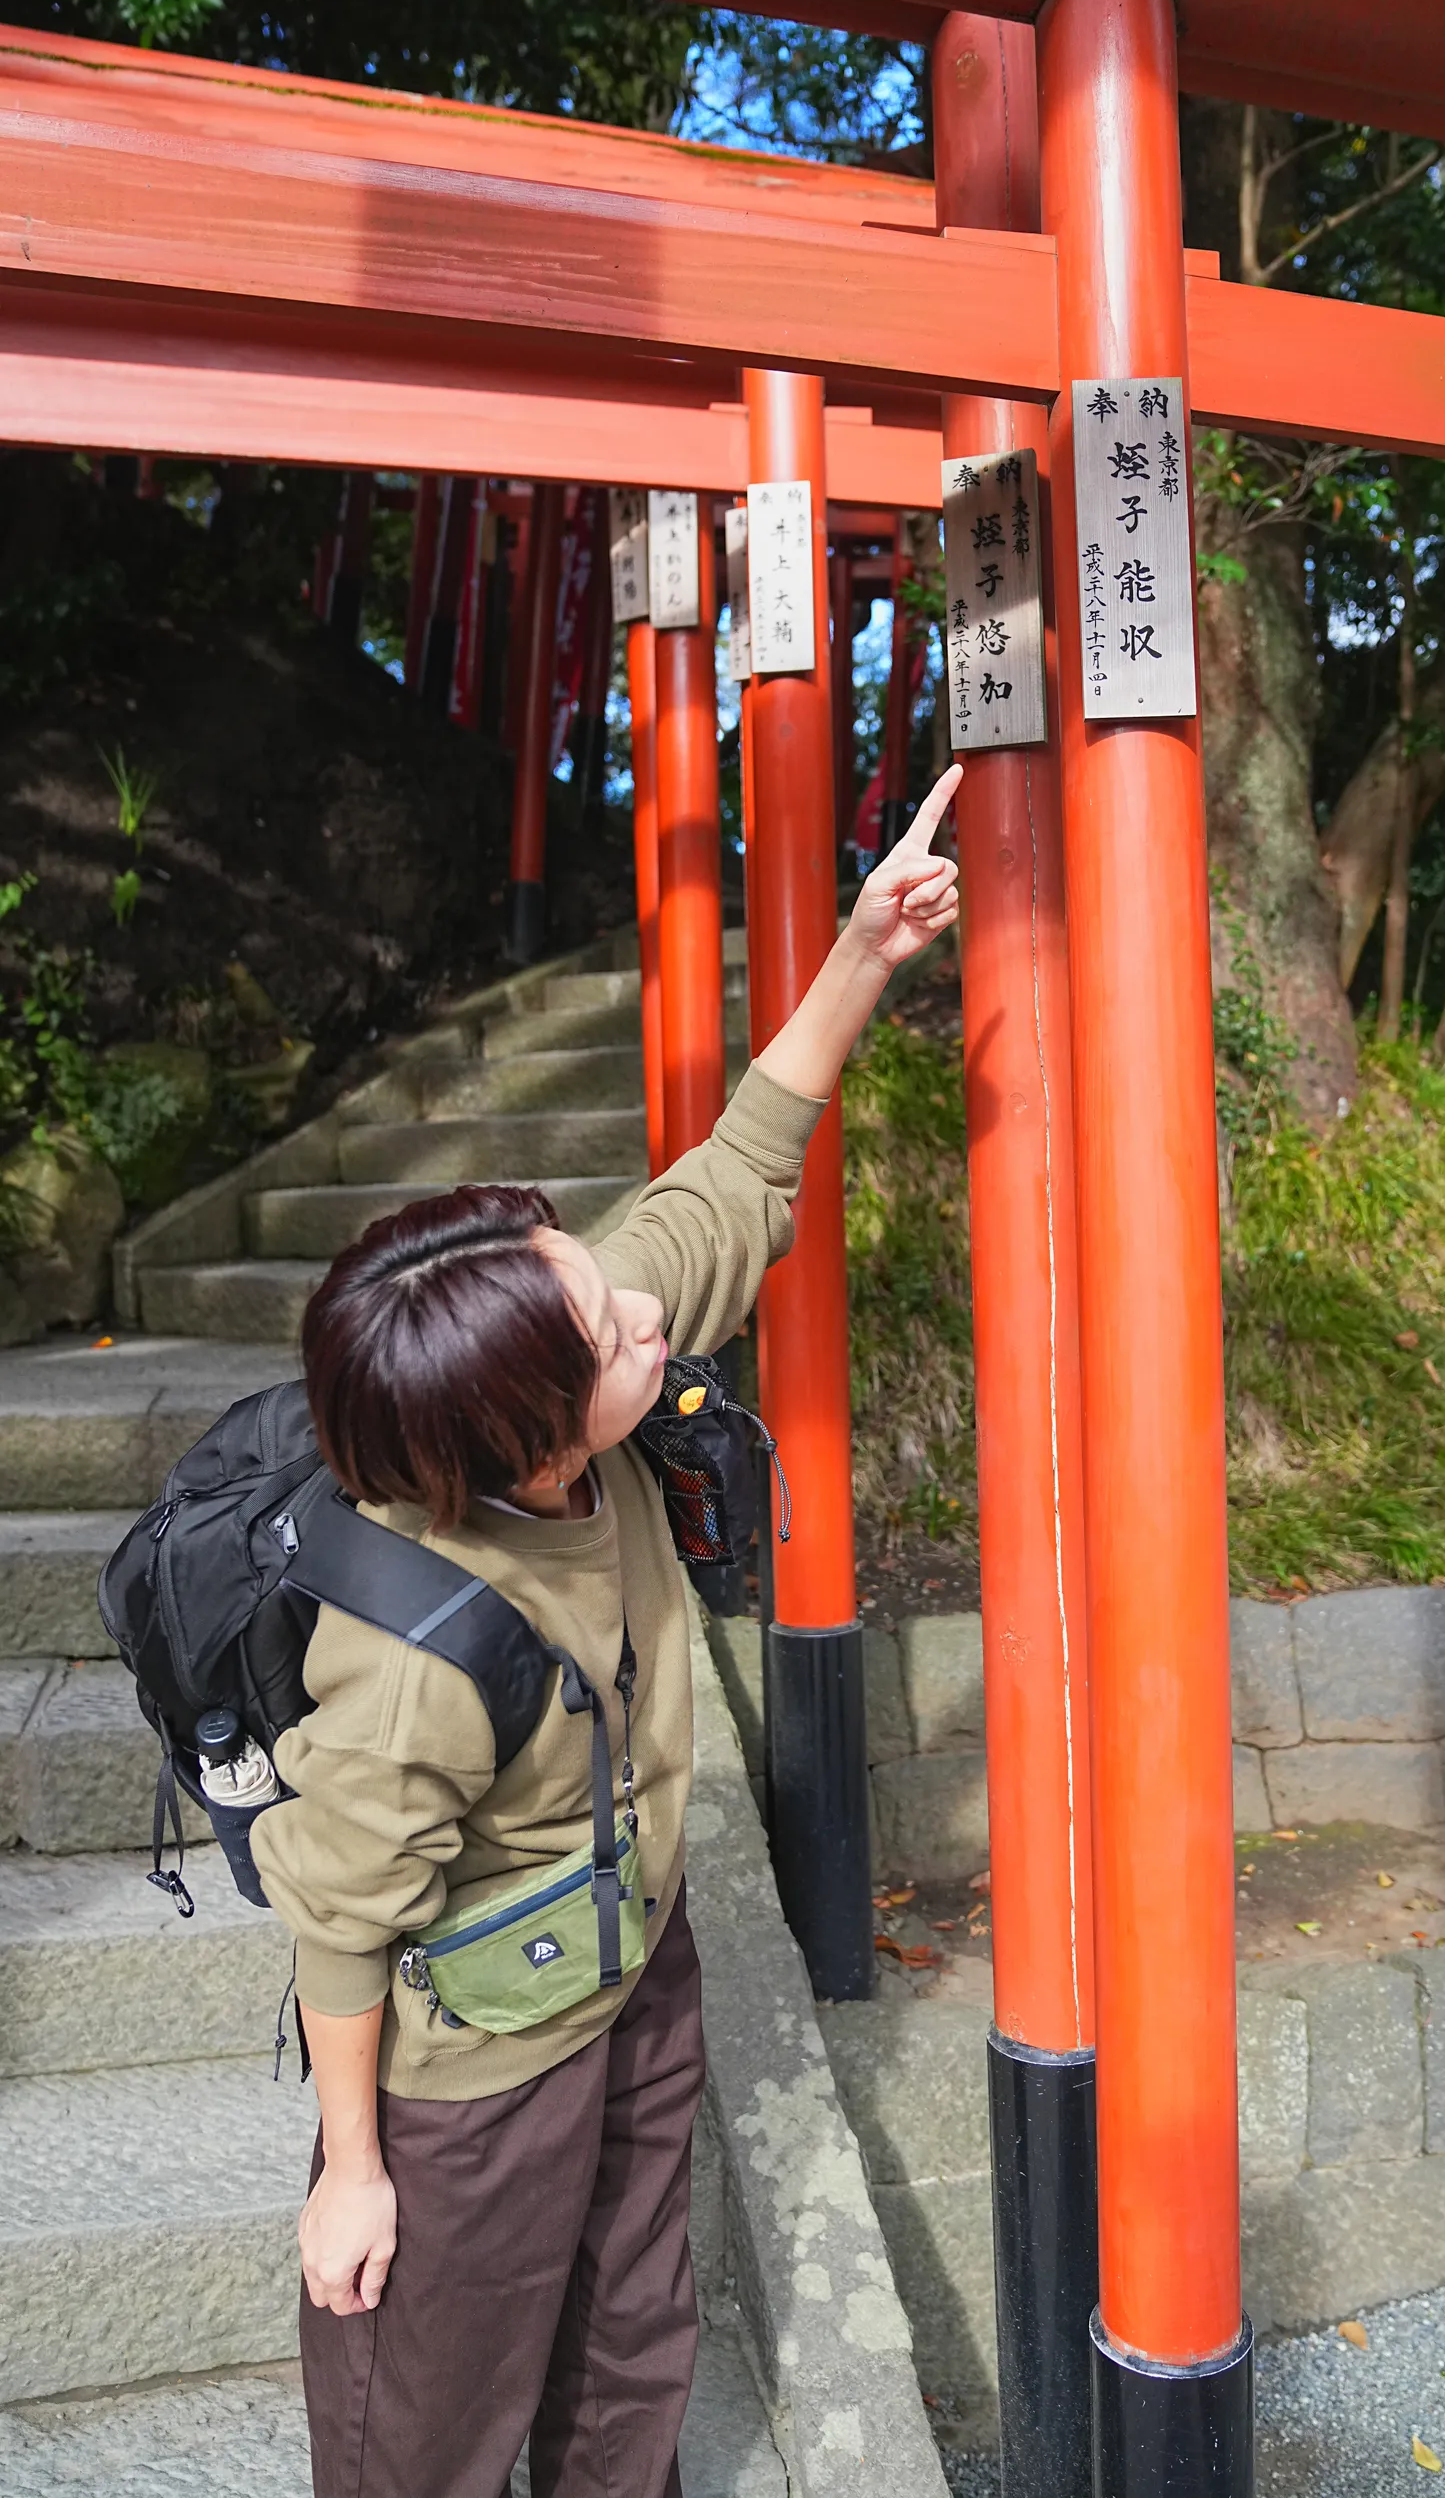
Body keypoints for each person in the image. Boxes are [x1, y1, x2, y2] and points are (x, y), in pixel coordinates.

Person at [253, 766, 962, 2498]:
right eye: (616, 1337)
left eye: (596, 1277)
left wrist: (866, 950)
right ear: (529, 1441)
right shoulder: (416, 1654)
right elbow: (343, 1928)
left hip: (633, 1970)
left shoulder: (580, 1364)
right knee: (426, 2415)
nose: (647, 1313)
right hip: (472, 2075)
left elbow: (729, 1173)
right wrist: (355, 2167)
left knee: (635, 2335)